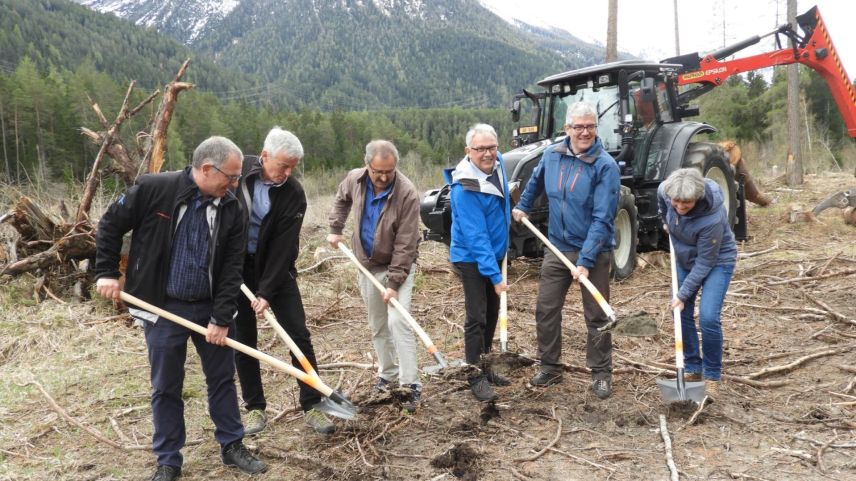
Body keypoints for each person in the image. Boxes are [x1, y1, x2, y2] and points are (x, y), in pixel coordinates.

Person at [94, 137, 266, 481]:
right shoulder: (154, 189)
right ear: (206, 169)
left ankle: (232, 445)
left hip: (210, 307)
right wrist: (106, 272)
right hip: (162, 306)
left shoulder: (232, 206)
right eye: (230, 177)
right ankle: (169, 459)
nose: (235, 184)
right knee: (166, 385)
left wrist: (220, 317)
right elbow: (110, 225)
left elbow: (233, 266)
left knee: (221, 378)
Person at [512, 102, 620, 400]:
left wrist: (585, 261)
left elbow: (603, 218)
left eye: (590, 126)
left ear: (596, 129)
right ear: (567, 129)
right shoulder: (552, 154)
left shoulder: (605, 166)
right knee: (546, 309)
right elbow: (534, 184)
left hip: (593, 250)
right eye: (578, 127)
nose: (584, 132)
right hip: (557, 247)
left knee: (597, 315)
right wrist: (522, 206)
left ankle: (601, 373)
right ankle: (550, 366)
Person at [234, 127, 335, 435]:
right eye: (283, 166)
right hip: (236, 272)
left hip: (278, 271)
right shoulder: (237, 176)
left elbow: (284, 246)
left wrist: (266, 292)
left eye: (293, 167)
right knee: (243, 341)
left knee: (298, 335)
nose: (288, 173)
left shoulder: (293, 192)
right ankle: (254, 408)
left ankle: (313, 404)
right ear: (264, 157)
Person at [326, 140, 422, 413]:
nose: (383, 177)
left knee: (398, 321)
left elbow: (406, 244)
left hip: (398, 266)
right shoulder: (355, 179)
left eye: (389, 172)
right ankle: (387, 375)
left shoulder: (407, 194)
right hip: (366, 265)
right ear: (367, 164)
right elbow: (341, 199)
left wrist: (394, 283)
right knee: (378, 324)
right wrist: (336, 227)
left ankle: (410, 384)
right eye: (377, 171)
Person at [445, 123, 511, 402]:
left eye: (492, 147)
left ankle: (484, 365)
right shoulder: (464, 187)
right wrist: (495, 277)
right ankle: (474, 374)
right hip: (471, 257)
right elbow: (476, 236)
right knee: (477, 316)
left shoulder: (499, 165)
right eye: (480, 148)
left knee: (493, 313)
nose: (487, 154)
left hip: (494, 253)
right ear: (468, 151)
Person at [657, 168, 737, 399]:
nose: (680, 207)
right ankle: (692, 367)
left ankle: (712, 375)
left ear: (698, 198)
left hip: (717, 260)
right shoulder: (665, 190)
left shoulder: (712, 217)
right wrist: (666, 220)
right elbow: (662, 205)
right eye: (676, 202)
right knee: (679, 313)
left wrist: (682, 294)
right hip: (683, 255)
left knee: (708, 317)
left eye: (687, 204)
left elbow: (705, 262)